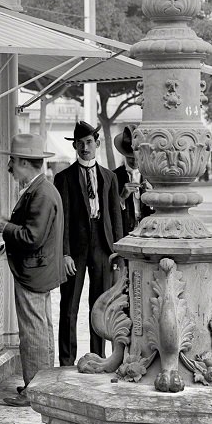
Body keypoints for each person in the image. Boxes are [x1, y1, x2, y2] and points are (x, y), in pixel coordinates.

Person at [0, 134, 63, 406]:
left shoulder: (40, 193)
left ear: (25, 163)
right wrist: (6, 221)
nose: (9, 167)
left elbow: (32, 237)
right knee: (40, 329)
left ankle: (36, 390)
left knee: (33, 333)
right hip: (38, 270)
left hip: (33, 271)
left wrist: (3, 227)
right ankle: (42, 386)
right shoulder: (41, 189)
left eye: (13, 162)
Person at [53, 120, 123, 366]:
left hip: (103, 248)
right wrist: (64, 254)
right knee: (69, 306)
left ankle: (97, 358)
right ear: (74, 146)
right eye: (80, 144)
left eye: (89, 143)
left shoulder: (109, 178)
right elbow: (61, 221)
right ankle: (66, 361)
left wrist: (118, 253)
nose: (85, 148)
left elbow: (116, 217)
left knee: (100, 305)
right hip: (75, 249)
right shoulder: (63, 178)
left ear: (97, 144)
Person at [113, 125, 151, 236]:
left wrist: (151, 196)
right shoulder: (113, 176)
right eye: (130, 157)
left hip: (147, 231)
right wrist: (122, 198)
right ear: (123, 155)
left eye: (137, 157)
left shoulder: (151, 176)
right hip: (123, 232)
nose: (134, 161)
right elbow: (109, 211)